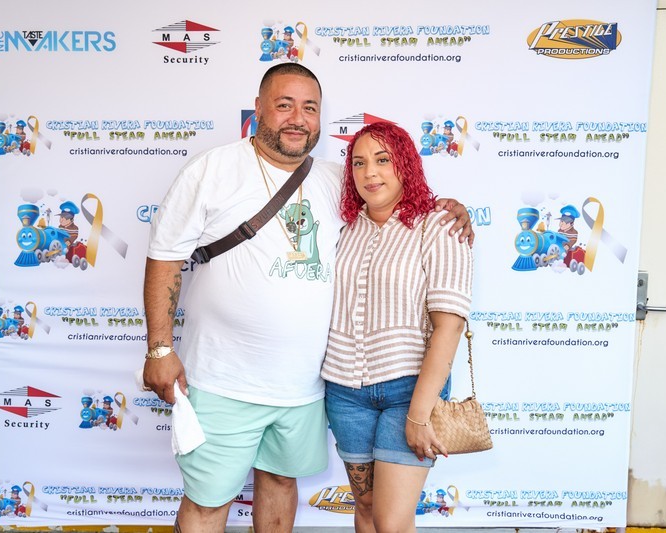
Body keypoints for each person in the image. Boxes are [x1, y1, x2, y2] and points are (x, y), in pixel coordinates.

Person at [142, 63, 474, 533]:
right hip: (223, 380)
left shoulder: (338, 180)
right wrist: (159, 348)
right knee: (208, 501)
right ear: (258, 109)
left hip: (303, 389)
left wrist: (450, 207)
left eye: (310, 108)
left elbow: (393, 194)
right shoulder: (211, 169)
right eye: (284, 105)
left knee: (281, 484)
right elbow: (164, 259)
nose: (297, 118)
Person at [320, 122, 473, 532]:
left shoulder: (440, 225)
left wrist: (420, 414)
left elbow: (448, 328)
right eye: (359, 163)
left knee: (391, 522)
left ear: (405, 164)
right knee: (366, 508)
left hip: (409, 391)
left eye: (383, 160)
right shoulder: (342, 228)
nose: (370, 172)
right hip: (344, 392)